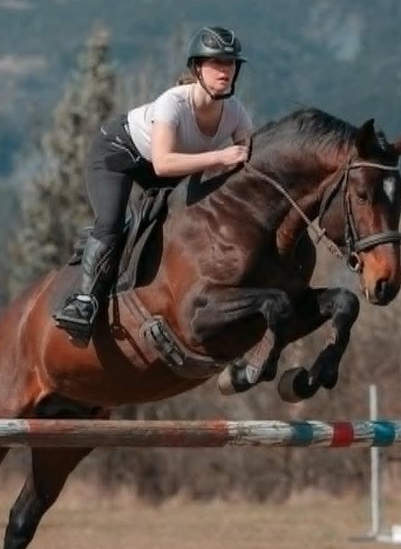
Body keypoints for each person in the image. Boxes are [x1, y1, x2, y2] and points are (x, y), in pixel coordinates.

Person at [54, 26, 255, 345]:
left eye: (230, 64)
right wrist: (219, 157)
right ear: (197, 68)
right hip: (119, 153)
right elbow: (163, 163)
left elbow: (247, 162)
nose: (225, 71)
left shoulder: (235, 111)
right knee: (111, 223)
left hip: (167, 168)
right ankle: (84, 301)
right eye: (216, 63)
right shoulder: (172, 103)